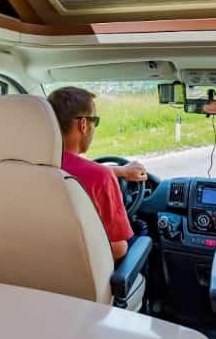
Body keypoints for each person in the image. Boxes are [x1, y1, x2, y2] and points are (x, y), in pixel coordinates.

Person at [47, 86, 148, 261]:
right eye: (96, 121)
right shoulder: (99, 177)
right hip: (85, 280)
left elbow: (71, 168)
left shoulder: (24, 168)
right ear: (83, 124)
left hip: (35, 270)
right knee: (142, 238)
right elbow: (118, 249)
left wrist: (121, 171)